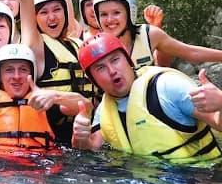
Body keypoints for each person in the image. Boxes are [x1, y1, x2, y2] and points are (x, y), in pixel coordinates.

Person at [72, 33, 222, 163]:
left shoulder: (168, 85)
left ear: (128, 60)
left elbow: (218, 122)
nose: (112, 71)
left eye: (115, 60)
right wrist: (80, 138)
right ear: (93, 80)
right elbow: (91, 148)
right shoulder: (104, 110)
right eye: (100, 68)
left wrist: (220, 102)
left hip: (203, 178)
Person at [8, 0, 95, 143]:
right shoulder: (35, 43)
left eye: (57, 10)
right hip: (49, 141)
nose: (52, 17)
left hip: (83, 135)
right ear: (34, 18)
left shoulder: (76, 42)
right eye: (44, 12)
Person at [93, 0, 222, 69]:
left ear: (130, 13)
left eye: (116, 13)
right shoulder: (95, 47)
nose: (109, 19)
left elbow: (191, 53)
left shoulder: (149, 34)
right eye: (103, 14)